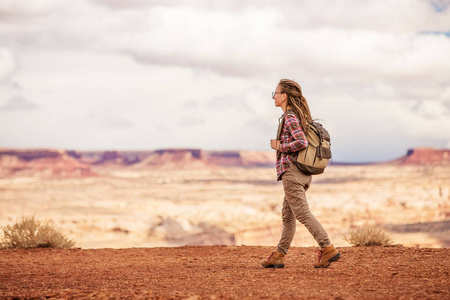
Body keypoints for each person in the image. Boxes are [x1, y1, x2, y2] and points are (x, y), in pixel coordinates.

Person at [261, 79, 341, 269]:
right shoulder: (298, 116)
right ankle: (279, 255)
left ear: (284, 96)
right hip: (302, 173)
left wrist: (280, 146)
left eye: (276, 92)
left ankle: (328, 248)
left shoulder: (290, 117)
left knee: (302, 214)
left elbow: (301, 142)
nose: (274, 96)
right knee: (288, 216)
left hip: (292, 172)